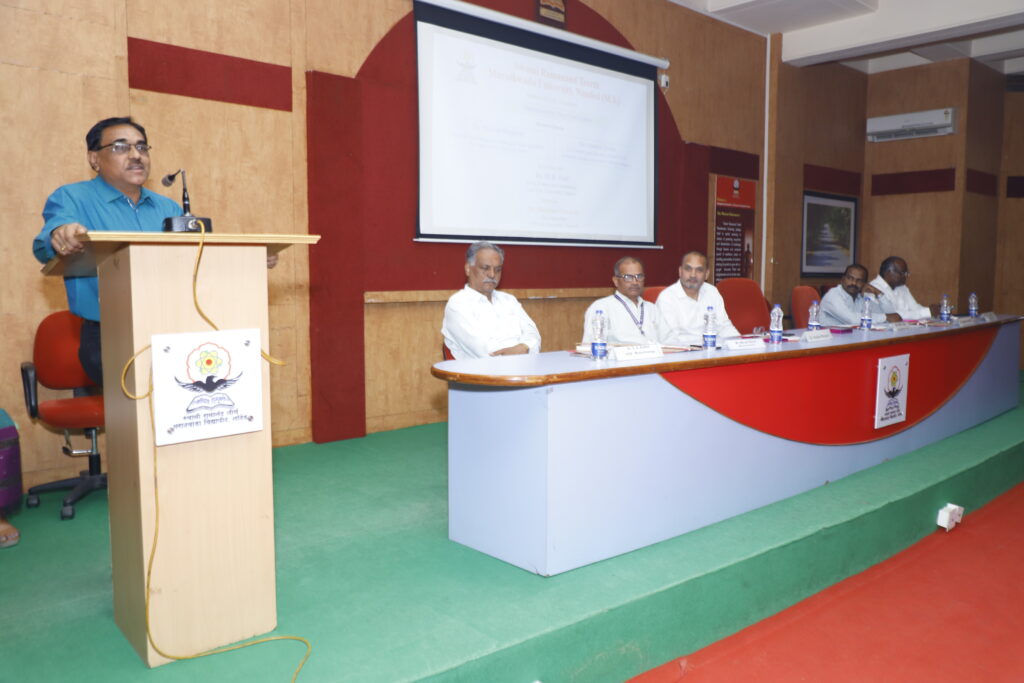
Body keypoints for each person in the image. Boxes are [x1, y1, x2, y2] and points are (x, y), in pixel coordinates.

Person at [32, 117, 183, 386]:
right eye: (121, 147)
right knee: (137, 419)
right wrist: (59, 235)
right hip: (109, 335)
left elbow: (193, 259)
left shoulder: (168, 209)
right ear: (94, 159)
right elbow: (48, 240)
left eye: (142, 147)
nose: (136, 155)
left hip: (171, 326)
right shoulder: (72, 198)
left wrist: (247, 259)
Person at [441, 241, 541, 359]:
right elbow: (487, 352)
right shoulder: (458, 304)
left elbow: (534, 335)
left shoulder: (509, 300)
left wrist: (524, 346)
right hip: (481, 375)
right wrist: (523, 350)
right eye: (485, 268)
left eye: (498, 269)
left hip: (523, 370)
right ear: (468, 269)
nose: (492, 275)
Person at [656, 251, 740, 346]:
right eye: (688, 269)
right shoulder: (667, 298)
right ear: (680, 271)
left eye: (699, 270)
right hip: (683, 354)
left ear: (707, 274)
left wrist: (740, 345)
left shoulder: (712, 292)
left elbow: (724, 327)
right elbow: (669, 340)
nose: (693, 275)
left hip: (713, 352)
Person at [582, 256, 665, 344]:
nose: (635, 282)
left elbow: (667, 342)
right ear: (616, 281)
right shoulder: (601, 308)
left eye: (639, 276)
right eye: (628, 277)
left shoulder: (652, 309)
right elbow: (589, 346)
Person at [820, 263, 901, 326]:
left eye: (859, 280)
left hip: (851, 340)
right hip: (828, 342)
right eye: (850, 278)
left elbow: (891, 315)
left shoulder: (861, 298)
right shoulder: (833, 295)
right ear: (842, 279)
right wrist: (885, 317)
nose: (854, 283)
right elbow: (851, 320)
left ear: (865, 284)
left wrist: (879, 293)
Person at [865, 256, 937, 320]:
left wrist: (932, 310)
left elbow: (915, 307)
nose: (906, 276)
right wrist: (927, 312)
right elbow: (892, 315)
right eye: (903, 273)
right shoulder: (872, 288)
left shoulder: (902, 288)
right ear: (889, 272)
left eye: (907, 273)